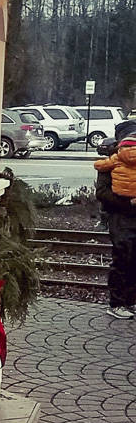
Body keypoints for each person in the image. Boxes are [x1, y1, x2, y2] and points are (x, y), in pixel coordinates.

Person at [95, 120, 136, 319]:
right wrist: (129, 203)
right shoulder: (110, 163)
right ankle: (117, 302)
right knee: (123, 258)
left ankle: (131, 301)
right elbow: (102, 193)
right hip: (120, 217)